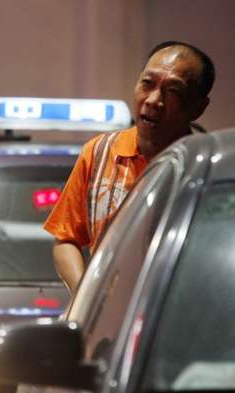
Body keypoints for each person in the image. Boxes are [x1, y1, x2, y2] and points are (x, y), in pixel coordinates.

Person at [44, 41, 214, 293]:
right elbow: (66, 239)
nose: (154, 100)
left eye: (173, 92)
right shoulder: (99, 153)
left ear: (198, 107)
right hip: (108, 319)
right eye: (148, 83)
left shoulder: (208, 169)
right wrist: (85, 299)